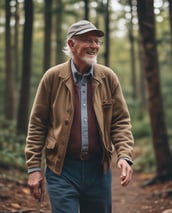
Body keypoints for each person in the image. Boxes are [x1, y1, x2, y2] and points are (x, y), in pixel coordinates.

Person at [25, 20, 134, 213]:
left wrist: (124, 155)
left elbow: (120, 121)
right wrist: (34, 168)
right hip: (61, 169)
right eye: (87, 40)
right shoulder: (52, 77)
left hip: (98, 169)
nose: (94, 46)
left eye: (96, 41)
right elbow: (37, 124)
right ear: (71, 44)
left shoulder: (108, 78)